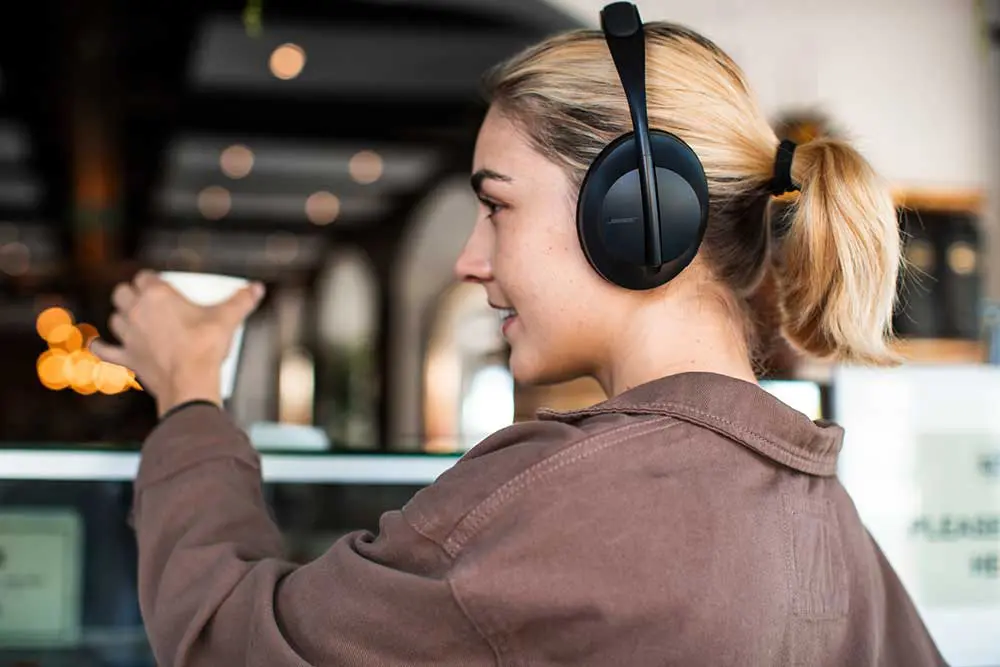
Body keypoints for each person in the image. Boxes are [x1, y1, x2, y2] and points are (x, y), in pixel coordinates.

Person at [92, 3, 946, 665]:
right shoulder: (827, 516)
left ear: (636, 212)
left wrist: (189, 388)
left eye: (496, 205)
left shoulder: (566, 496)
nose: (469, 260)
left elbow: (228, 643)